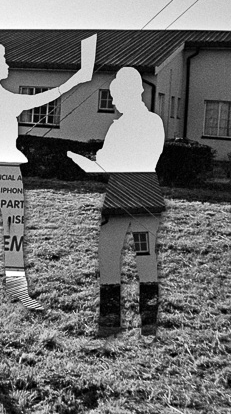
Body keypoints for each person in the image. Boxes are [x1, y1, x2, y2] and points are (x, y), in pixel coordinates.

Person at [0, 34, 96, 312]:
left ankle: (17, 292)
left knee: (14, 232)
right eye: (1, 60)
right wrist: (75, 80)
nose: (7, 64)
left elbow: (38, 100)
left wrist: (75, 80)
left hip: (8, 170)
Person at [67, 67, 165, 336]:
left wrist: (86, 160)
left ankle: (110, 321)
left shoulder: (120, 127)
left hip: (121, 197)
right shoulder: (155, 122)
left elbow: (106, 165)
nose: (113, 102)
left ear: (127, 94)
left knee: (109, 255)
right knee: (146, 257)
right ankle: (149, 323)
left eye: (114, 96)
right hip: (147, 197)